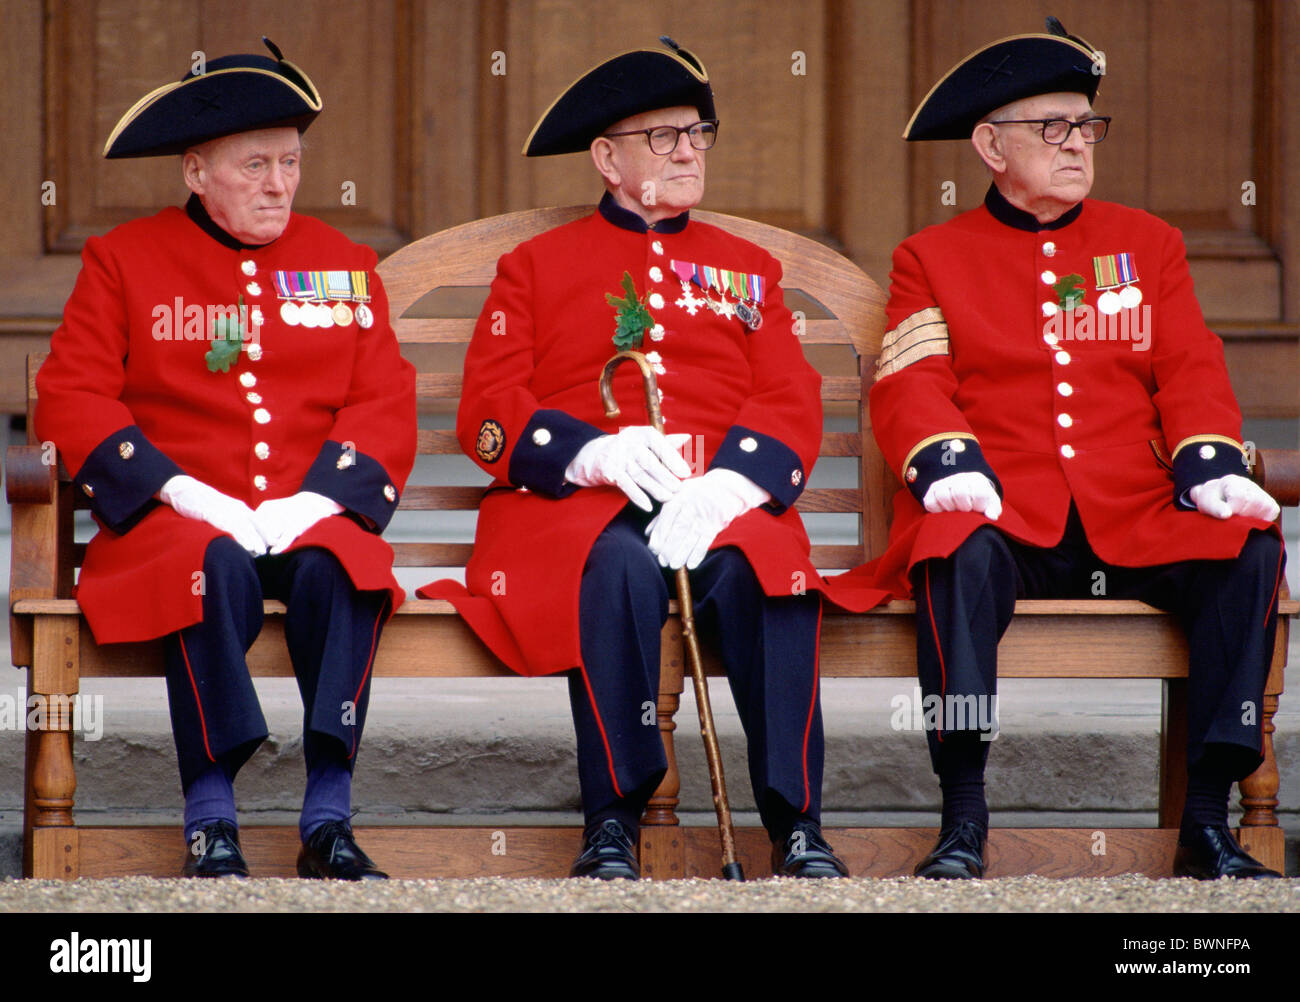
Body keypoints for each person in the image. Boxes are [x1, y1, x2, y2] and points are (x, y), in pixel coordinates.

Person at [419, 39, 887, 879]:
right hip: (582, 505)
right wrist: (589, 452)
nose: (687, 152)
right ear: (606, 158)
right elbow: (487, 413)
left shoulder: (747, 273)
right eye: (663, 137)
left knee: (770, 570)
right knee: (616, 569)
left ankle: (797, 821)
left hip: (715, 496)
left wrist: (731, 484)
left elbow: (790, 392)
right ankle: (611, 817)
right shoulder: (535, 269)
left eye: (697, 134)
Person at [869, 18, 1285, 880]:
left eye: (1086, 127)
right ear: (989, 145)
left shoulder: (1149, 244)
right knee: (951, 550)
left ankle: (1208, 821)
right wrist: (948, 463)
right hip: (1008, 513)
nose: (1076, 145)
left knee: (1247, 545)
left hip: (1130, 510)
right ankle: (964, 815)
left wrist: (1209, 465)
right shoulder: (930, 256)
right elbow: (910, 382)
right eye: (1050, 128)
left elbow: (1189, 366)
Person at [34, 40, 417, 879]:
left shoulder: (345, 266)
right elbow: (69, 397)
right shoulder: (123, 261)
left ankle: (329, 817)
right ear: (196, 170)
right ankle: (210, 813)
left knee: (344, 567)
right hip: (181, 527)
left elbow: (383, 398)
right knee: (204, 566)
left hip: (300, 517)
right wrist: (175, 488)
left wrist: (316, 500)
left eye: (291, 162)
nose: (279, 184)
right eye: (255, 165)